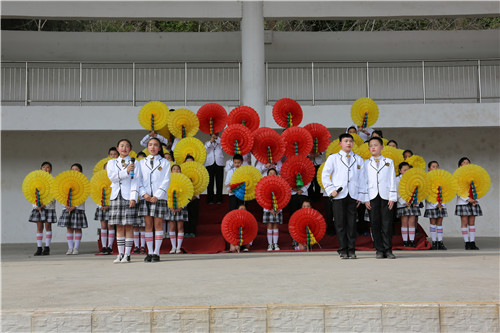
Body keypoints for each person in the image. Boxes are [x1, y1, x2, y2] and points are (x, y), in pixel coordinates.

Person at [322, 133, 364, 259]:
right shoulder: (333, 158)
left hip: (353, 194)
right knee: (340, 223)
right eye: (346, 141)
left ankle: (351, 249)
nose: (349, 143)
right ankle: (342, 249)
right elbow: (325, 175)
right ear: (340, 143)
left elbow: (362, 178)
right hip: (338, 194)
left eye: (351, 141)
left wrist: (360, 196)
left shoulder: (359, 159)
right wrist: (331, 190)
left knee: (352, 223)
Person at [360, 137, 397, 259]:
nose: (373, 147)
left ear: (381, 147)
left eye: (376, 145)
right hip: (372, 196)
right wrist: (365, 198)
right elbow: (363, 181)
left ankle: (388, 249)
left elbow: (392, 180)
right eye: (371, 145)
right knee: (374, 223)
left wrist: (392, 197)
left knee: (387, 224)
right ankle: (379, 249)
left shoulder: (389, 162)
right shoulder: (365, 163)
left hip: (386, 196)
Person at [135, 137, 171, 262]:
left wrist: (157, 195)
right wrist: (144, 194)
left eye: (155, 145)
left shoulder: (165, 163)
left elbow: (166, 180)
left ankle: (156, 252)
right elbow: (138, 180)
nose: (152, 147)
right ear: (147, 147)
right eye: (150, 145)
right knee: (148, 225)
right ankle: (149, 252)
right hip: (146, 198)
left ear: (160, 148)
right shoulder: (141, 162)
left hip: (158, 198)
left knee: (158, 225)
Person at [107, 139, 140, 263]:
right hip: (116, 195)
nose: (124, 148)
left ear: (130, 149)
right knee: (118, 225)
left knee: (129, 225)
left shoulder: (135, 162)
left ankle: (127, 254)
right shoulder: (111, 163)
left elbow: (136, 181)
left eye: (127, 146)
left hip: (128, 196)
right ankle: (120, 253)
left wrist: (133, 197)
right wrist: (126, 171)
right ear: (117, 148)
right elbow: (113, 177)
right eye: (122, 146)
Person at [57, 163, 88, 255]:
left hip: (78, 209)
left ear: (80, 171)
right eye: (72, 169)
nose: (74, 171)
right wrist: (65, 206)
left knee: (77, 228)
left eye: (76, 169)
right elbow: (61, 194)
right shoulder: (66, 181)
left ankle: (76, 248)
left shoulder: (83, 182)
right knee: (69, 228)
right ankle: (70, 248)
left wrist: (75, 206)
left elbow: (83, 196)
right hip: (67, 209)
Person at [28, 161, 57, 256]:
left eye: (48, 167)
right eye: (44, 167)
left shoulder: (53, 181)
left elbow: (54, 195)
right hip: (38, 207)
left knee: (48, 226)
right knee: (39, 227)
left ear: (51, 169)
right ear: (41, 169)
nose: (46, 169)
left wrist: (45, 205)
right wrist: (36, 205)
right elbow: (32, 194)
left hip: (48, 208)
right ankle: (39, 248)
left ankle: (47, 247)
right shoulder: (36, 180)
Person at [96, 147, 119, 254]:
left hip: (112, 205)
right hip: (101, 205)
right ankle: (103, 246)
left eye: (115, 154)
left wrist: (110, 204)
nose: (113, 156)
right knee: (103, 225)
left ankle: (110, 246)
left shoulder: (116, 177)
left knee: (111, 225)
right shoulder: (98, 178)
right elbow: (96, 193)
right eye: (111, 154)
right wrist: (100, 204)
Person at [455, 157, 481, 250]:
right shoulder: (458, 176)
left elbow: (478, 188)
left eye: (468, 162)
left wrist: (475, 199)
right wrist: (467, 199)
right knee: (464, 222)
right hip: (463, 202)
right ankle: (467, 242)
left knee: (472, 222)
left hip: (473, 201)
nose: (467, 164)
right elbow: (458, 190)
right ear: (460, 165)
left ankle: (472, 242)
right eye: (464, 162)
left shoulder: (474, 176)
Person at [424, 161, 448, 250]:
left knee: (440, 223)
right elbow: (426, 194)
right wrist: (435, 204)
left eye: (437, 166)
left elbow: (446, 192)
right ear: (429, 169)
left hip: (441, 204)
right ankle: (434, 242)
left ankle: (440, 242)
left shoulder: (442, 178)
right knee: (433, 223)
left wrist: (441, 203)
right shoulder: (427, 179)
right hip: (432, 205)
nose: (436, 168)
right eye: (433, 166)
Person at [396, 162, 420, 248]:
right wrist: (404, 201)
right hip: (403, 204)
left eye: (408, 170)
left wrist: (415, 201)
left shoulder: (414, 179)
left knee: (412, 222)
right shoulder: (397, 180)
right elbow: (397, 193)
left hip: (413, 204)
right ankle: (405, 241)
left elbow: (419, 191)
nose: (406, 171)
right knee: (404, 222)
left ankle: (412, 241)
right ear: (400, 170)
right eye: (404, 170)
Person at [166, 164, 189, 254]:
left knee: (180, 227)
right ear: (171, 171)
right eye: (174, 169)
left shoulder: (184, 181)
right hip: (171, 207)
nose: (176, 170)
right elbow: (166, 194)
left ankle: (179, 247)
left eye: (178, 169)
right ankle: (173, 247)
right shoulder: (168, 181)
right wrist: (170, 206)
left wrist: (181, 206)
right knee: (172, 227)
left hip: (181, 207)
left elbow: (188, 195)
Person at [261, 168, 283, 251]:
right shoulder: (264, 184)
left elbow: (283, 197)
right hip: (268, 209)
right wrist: (269, 209)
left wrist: (279, 208)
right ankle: (270, 244)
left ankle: (275, 244)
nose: (272, 174)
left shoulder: (280, 185)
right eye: (270, 173)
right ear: (267, 175)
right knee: (270, 225)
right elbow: (262, 198)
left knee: (276, 225)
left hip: (278, 208)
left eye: (274, 173)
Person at [204, 132, 225, 204]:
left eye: (216, 134)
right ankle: (210, 199)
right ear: (210, 134)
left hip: (219, 163)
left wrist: (216, 138)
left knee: (219, 182)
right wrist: (211, 141)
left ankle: (219, 199)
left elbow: (224, 146)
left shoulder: (221, 141)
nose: (215, 135)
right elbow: (204, 150)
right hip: (210, 163)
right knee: (210, 182)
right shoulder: (207, 143)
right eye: (213, 134)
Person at [184, 155, 199, 238]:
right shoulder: (182, 171)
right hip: (185, 198)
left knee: (193, 215)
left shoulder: (198, 171)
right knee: (186, 215)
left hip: (195, 197)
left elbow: (200, 185)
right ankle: (186, 231)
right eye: (187, 162)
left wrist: (195, 195)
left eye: (191, 161)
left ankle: (192, 231)